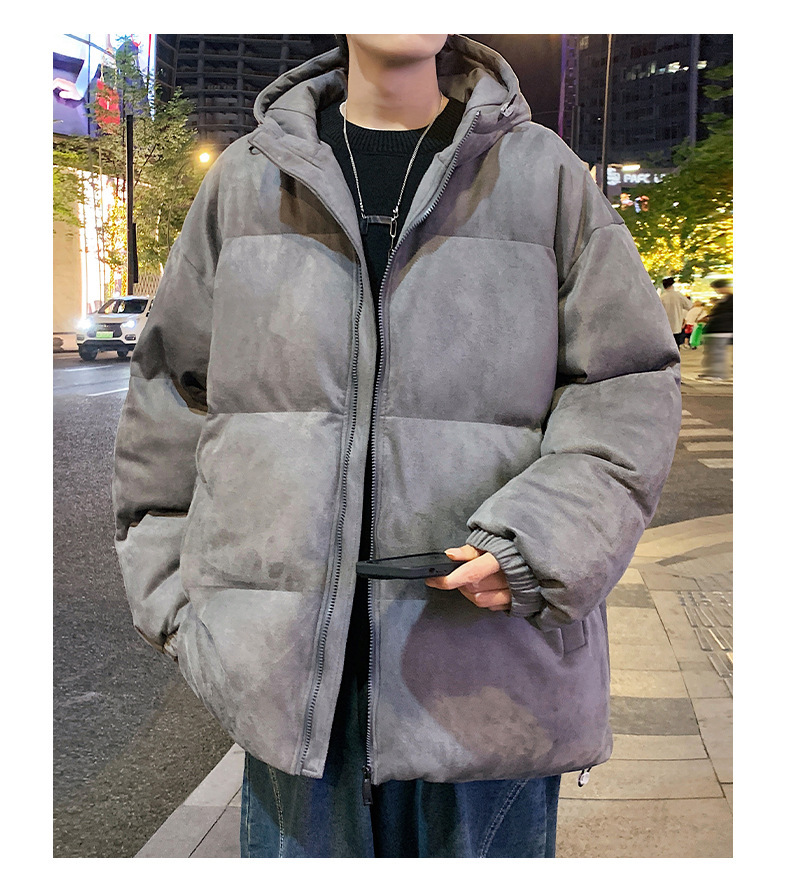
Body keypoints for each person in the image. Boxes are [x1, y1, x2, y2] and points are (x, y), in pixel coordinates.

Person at [112, 34, 682, 858]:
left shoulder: (544, 175)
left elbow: (627, 384)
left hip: (491, 674)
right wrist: (177, 604)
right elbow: (171, 393)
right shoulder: (245, 180)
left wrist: (539, 545)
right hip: (288, 689)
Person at [699, 279, 733, 380]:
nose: (717, 291)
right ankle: (711, 371)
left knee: (717, 352)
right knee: (711, 352)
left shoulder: (731, 300)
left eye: (718, 288)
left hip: (722, 329)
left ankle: (717, 374)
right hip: (716, 329)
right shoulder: (724, 300)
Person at [659, 276, 693, 346]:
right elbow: (689, 306)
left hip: (665, 327)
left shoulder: (661, 298)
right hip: (677, 325)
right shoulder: (678, 296)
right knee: (676, 345)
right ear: (672, 286)